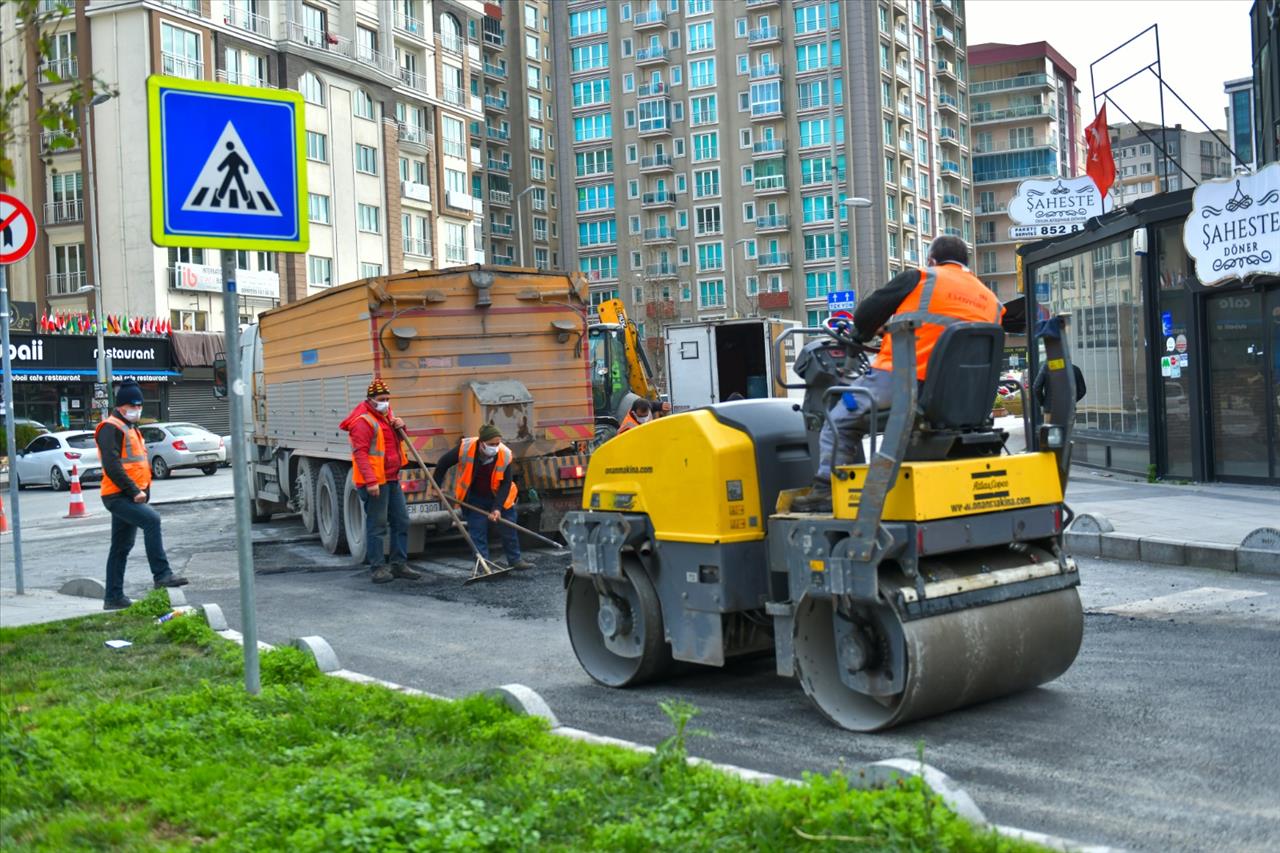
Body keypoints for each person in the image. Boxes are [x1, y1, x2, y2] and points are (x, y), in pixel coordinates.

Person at [793, 235, 1005, 512]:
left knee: (839, 417)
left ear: (932, 260)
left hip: (904, 380)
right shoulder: (992, 301)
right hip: (963, 396)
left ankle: (825, 491)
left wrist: (861, 333)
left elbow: (866, 315)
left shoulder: (921, 278)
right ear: (966, 263)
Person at [95, 380, 188, 609]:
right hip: (118, 496)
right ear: (121, 405)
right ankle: (162, 574)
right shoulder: (111, 427)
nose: (137, 409)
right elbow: (112, 465)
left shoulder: (131, 427)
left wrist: (141, 490)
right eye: (132, 405)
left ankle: (113, 597)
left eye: (139, 405)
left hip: (128, 495)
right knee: (152, 520)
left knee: (120, 547)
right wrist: (134, 490)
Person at [339, 379, 422, 584]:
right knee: (377, 525)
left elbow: (394, 443)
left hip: (392, 478)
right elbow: (360, 454)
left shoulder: (386, 416)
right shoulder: (362, 422)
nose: (386, 402)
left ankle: (398, 563)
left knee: (401, 520)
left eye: (387, 399)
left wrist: (402, 427)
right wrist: (371, 482)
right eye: (381, 399)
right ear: (371, 400)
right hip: (376, 481)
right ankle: (377, 567)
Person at [433, 424, 532, 570]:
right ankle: (484, 566)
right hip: (475, 498)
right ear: (481, 443)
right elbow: (443, 464)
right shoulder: (466, 448)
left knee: (508, 528)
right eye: (491, 444)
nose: (495, 447)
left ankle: (515, 560)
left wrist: (497, 508)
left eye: (497, 443)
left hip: (500, 497)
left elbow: (505, 484)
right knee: (477, 531)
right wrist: (436, 486)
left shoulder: (505, 454)